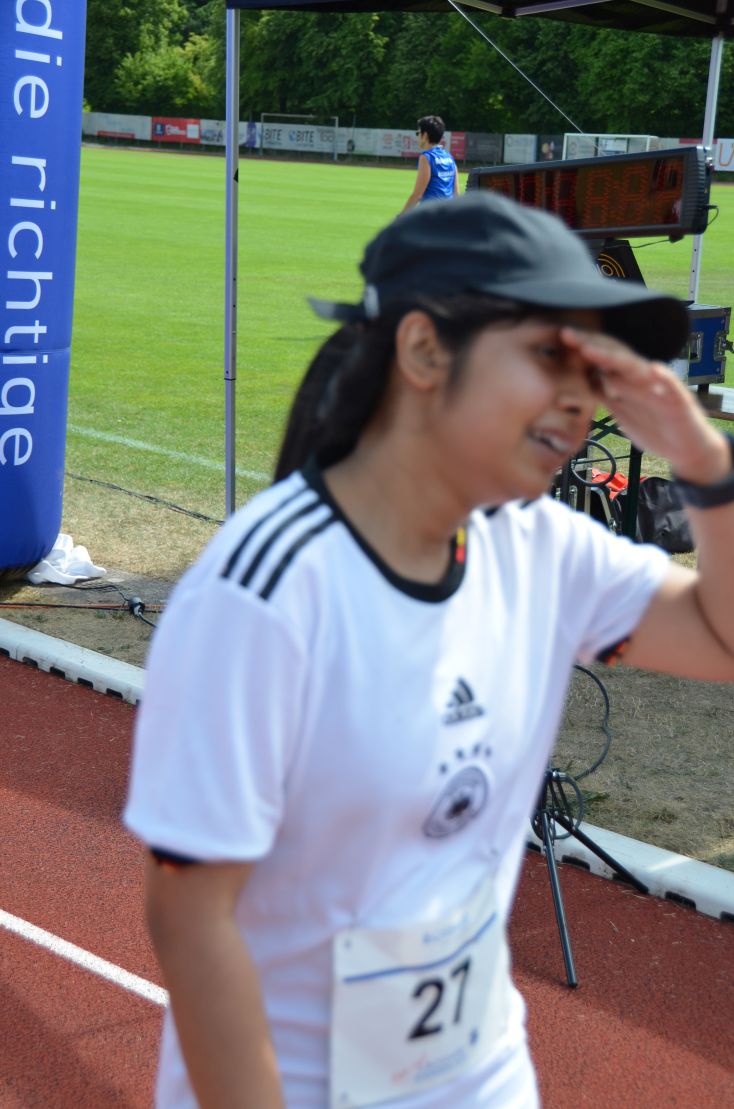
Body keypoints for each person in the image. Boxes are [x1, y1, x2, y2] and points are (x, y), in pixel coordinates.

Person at [124, 191, 734, 1109]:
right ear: (422, 350)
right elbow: (190, 915)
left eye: (595, 366)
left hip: (482, 1078)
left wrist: (705, 463)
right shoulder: (267, 591)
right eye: (549, 353)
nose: (581, 397)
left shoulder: (537, 546)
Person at [401, 114, 459, 212]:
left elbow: (417, 195)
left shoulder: (426, 157)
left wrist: (401, 217)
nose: (417, 136)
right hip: (448, 214)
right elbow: (456, 193)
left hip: (431, 214)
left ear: (425, 135)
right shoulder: (449, 157)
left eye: (418, 133)